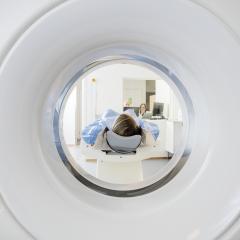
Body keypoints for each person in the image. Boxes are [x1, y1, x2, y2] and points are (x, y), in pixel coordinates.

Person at [81, 109, 159, 145]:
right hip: (124, 117)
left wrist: (101, 123)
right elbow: (155, 129)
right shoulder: (137, 122)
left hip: (115, 117)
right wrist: (142, 124)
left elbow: (86, 134)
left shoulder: (105, 122)